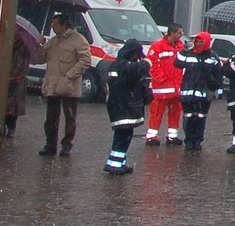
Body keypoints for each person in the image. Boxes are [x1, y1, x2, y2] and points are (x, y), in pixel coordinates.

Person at [38, 12, 90, 157]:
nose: (53, 27)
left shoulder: (79, 40)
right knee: (51, 118)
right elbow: (40, 59)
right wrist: (39, 45)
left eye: (55, 24)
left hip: (69, 86)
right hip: (52, 86)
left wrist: (69, 76)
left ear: (64, 24)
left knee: (70, 117)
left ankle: (66, 145)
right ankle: (50, 144)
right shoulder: (53, 41)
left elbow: (85, 61)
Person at [102, 38, 151, 174]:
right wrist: (146, 63)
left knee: (125, 135)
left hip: (121, 106)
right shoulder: (122, 65)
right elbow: (136, 71)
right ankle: (114, 164)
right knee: (122, 136)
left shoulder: (120, 64)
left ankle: (119, 162)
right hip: (122, 107)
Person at [174, 31, 226, 150]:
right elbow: (177, 63)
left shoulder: (213, 57)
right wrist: (183, 50)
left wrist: (218, 89)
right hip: (188, 93)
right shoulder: (189, 54)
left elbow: (218, 75)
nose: (198, 44)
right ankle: (189, 140)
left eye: (201, 41)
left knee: (201, 118)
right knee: (188, 118)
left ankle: (197, 141)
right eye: (197, 41)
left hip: (204, 95)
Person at [144, 24, 184, 146]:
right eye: (179, 33)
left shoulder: (180, 47)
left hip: (176, 87)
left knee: (175, 111)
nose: (181, 35)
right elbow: (152, 64)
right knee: (157, 112)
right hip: (162, 88)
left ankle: (172, 136)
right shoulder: (157, 47)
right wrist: (162, 78)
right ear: (172, 33)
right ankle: (151, 136)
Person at [5, 33, 26, 137]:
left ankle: (11, 127)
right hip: (4, 78)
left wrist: (14, 75)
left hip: (16, 80)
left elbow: (22, 64)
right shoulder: (5, 44)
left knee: (13, 106)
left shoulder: (23, 48)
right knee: (4, 104)